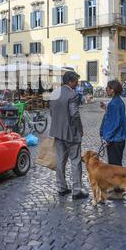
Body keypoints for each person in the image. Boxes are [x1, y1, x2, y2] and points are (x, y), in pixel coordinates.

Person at [49, 71, 88, 200]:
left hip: (57, 132)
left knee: (60, 160)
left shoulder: (54, 93)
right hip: (71, 133)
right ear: (70, 82)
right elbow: (75, 115)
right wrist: (80, 130)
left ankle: (61, 188)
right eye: (76, 81)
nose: (77, 84)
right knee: (75, 161)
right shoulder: (73, 94)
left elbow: (51, 112)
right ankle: (77, 191)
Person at [100, 80, 126, 198]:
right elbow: (116, 118)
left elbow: (115, 123)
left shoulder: (114, 103)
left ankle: (118, 192)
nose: (106, 90)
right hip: (119, 138)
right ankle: (116, 188)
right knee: (116, 165)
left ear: (113, 90)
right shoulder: (118, 102)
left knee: (115, 167)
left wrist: (107, 138)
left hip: (115, 139)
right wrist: (106, 108)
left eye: (108, 88)